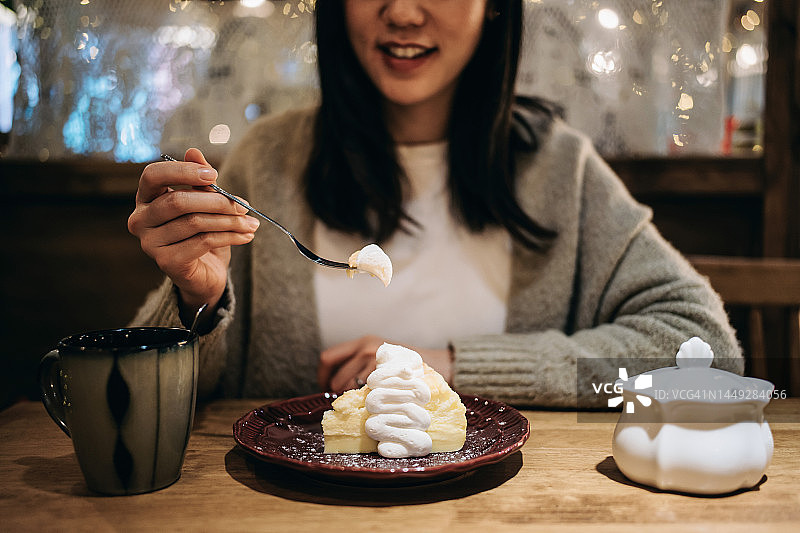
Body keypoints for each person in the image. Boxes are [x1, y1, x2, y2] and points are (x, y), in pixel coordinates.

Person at [127, 0, 742, 407]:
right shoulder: (267, 162)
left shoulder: (559, 170)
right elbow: (142, 402)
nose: (401, 12)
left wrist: (452, 367)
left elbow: (708, 357)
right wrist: (195, 301)